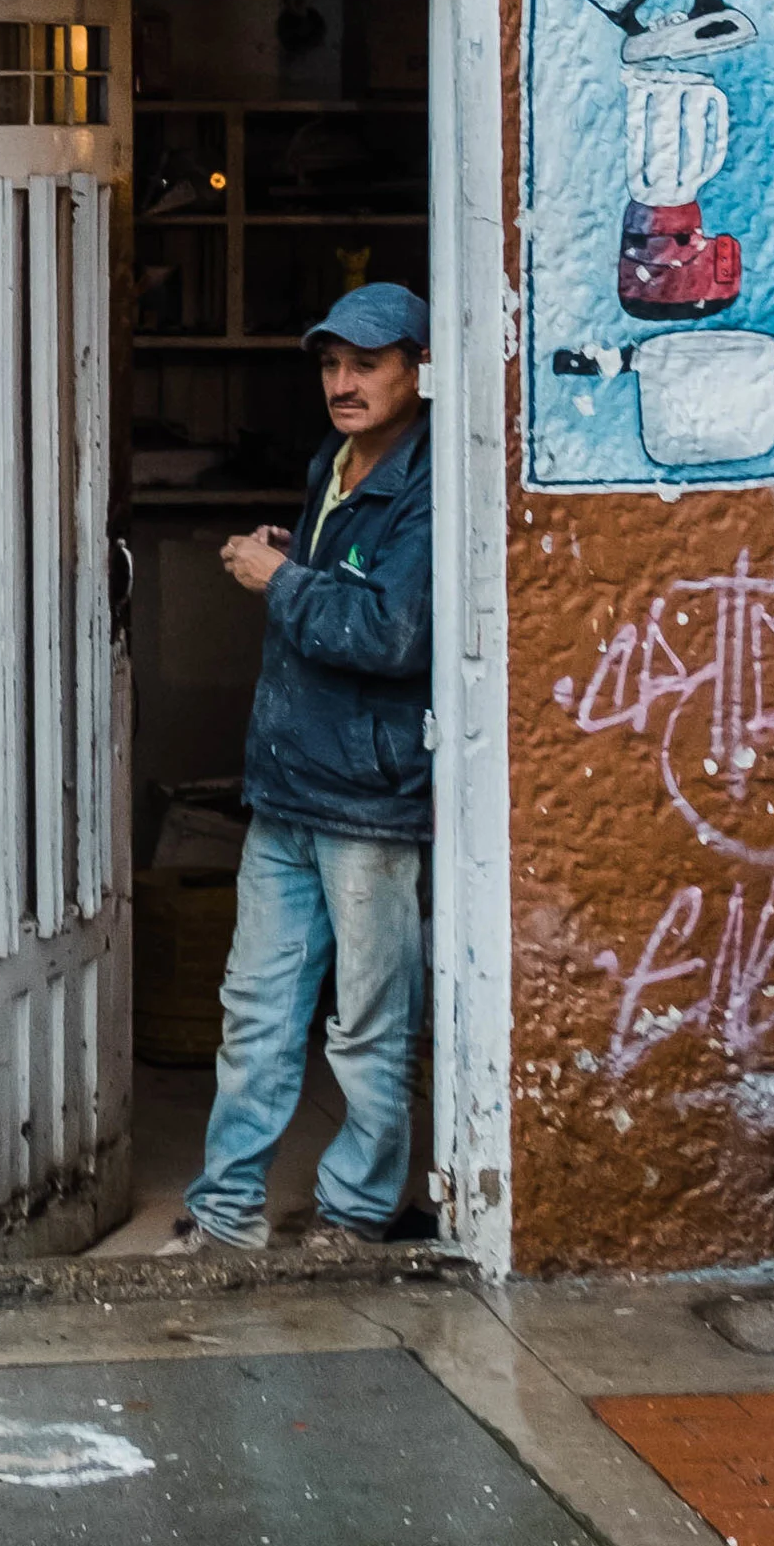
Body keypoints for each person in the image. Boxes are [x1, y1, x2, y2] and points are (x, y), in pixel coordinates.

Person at [174, 281, 434, 1251]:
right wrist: (299, 563)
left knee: (367, 1023)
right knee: (257, 1010)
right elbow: (342, 594)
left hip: (368, 796)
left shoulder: (428, 479)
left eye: (366, 362)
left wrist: (279, 580)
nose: (344, 380)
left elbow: (391, 631)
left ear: (417, 366)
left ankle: (357, 1212)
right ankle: (226, 1207)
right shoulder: (336, 460)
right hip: (286, 783)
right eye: (331, 363)